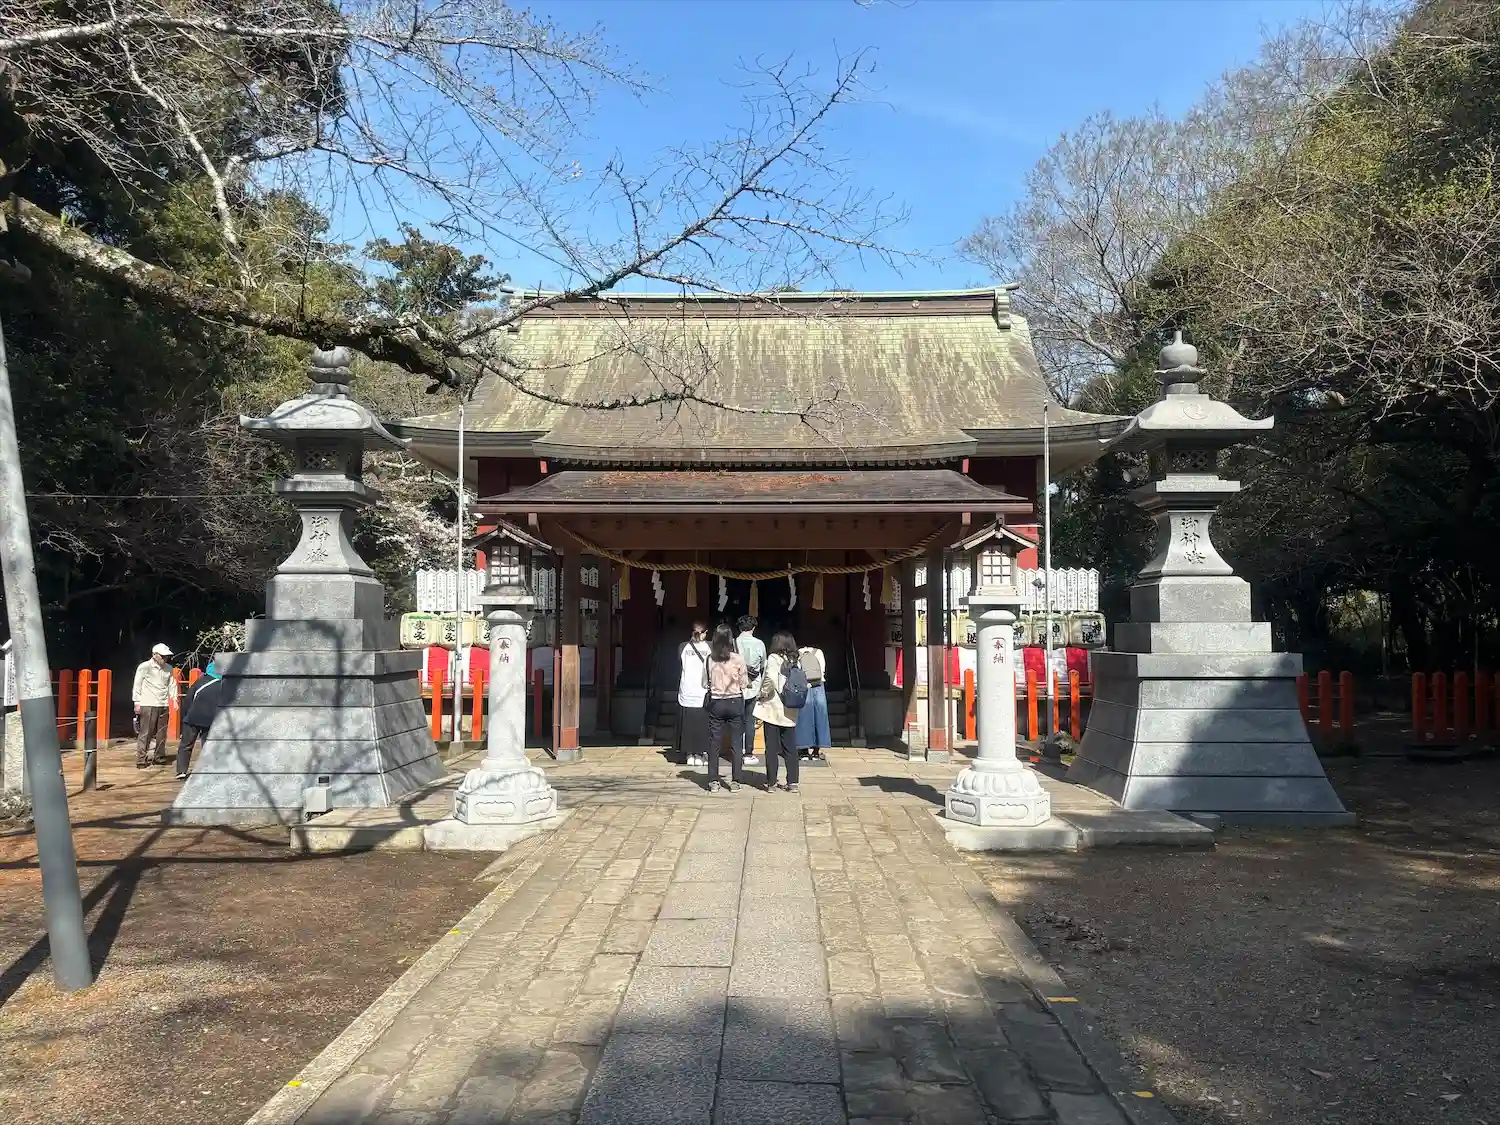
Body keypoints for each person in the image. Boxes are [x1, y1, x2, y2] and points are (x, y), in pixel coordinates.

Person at [755, 630, 802, 792]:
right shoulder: (795, 660)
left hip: (773, 708)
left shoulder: (773, 659)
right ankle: (793, 782)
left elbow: (769, 679)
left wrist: (762, 693)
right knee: (790, 747)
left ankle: (772, 782)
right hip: (790, 708)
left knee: (771, 747)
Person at [704, 623, 749, 792]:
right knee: (736, 742)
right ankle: (736, 780)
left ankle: (713, 780)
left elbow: (704, 682)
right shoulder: (737, 659)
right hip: (735, 701)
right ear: (730, 639)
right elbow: (744, 683)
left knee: (714, 742)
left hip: (716, 702)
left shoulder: (710, 659)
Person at [132, 642, 178, 768]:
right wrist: (137, 702)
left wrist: (174, 699)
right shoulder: (144, 667)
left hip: (163, 703)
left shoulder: (169, 668)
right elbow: (137, 684)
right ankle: (141, 759)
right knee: (146, 732)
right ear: (154, 655)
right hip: (148, 703)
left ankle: (159, 756)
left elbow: (172, 684)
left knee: (162, 732)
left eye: (166, 656)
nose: (165, 658)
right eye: (162, 656)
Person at [176, 661, 223, 779]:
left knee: (186, 744)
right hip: (211, 720)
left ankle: (181, 771)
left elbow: (188, 699)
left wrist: (185, 716)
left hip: (193, 718)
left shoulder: (200, 682)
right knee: (208, 745)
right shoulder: (224, 685)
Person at [676, 622, 711, 767]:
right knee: (703, 724)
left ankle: (689, 753)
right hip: (703, 690)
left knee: (687, 724)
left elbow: (679, 664)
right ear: (705, 632)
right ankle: (700, 753)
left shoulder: (683, 647)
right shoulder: (710, 646)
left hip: (687, 690)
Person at [735, 615, 765, 768]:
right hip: (753, 686)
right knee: (749, 721)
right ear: (753, 628)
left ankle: (736, 751)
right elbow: (763, 665)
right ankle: (748, 753)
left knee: (735, 721)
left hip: (735, 687)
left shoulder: (733, 642)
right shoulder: (759, 643)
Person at [795, 640, 831, 762]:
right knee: (820, 717)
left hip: (804, 686)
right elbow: (822, 670)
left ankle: (803, 752)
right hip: (818, 686)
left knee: (804, 718)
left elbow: (797, 671)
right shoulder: (818, 652)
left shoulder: (798, 653)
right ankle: (816, 752)